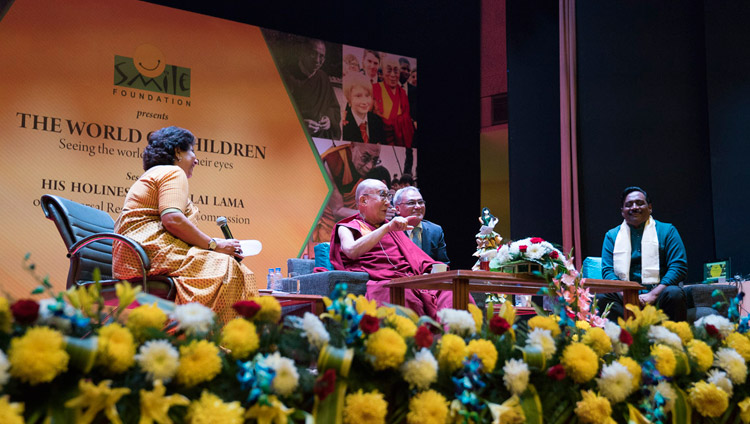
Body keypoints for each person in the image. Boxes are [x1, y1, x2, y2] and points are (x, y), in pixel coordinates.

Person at [112, 126, 258, 322]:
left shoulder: (157, 173)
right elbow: (172, 219)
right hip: (145, 256)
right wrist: (214, 245)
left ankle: (199, 333)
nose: (196, 159)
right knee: (227, 267)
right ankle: (212, 340)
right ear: (177, 152)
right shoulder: (172, 172)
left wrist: (213, 246)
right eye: (191, 151)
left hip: (135, 258)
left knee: (226, 264)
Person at [330, 179, 465, 319]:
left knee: (453, 292)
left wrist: (431, 270)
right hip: (385, 282)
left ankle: (457, 338)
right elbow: (351, 251)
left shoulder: (392, 229)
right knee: (404, 295)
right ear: (364, 201)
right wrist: (386, 228)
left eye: (388, 196)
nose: (388, 202)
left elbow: (417, 258)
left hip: (410, 279)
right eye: (383, 195)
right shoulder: (347, 227)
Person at [598, 187, 688, 321]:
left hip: (659, 294)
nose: (634, 207)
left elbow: (678, 267)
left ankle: (669, 341)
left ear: (650, 208)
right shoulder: (612, 236)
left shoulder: (667, 231)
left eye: (639, 203)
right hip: (624, 298)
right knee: (601, 298)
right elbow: (607, 271)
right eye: (628, 205)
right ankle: (624, 340)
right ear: (622, 211)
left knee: (674, 293)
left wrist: (654, 294)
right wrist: (627, 295)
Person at [313, 142, 382, 242]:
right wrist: (371, 214)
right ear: (353, 147)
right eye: (365, 158)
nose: (369, 166)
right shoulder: (334, 161)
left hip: (356, 225)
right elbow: (338, 210)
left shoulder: (373, 170)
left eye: (375, 160)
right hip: (329, 225)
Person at [281, 38, 341, 140]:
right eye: (313, 54)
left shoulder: (323, 77)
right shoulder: (286, 76)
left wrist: (329, 120)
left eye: (321, 56)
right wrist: (300, 125)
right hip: (295, 139)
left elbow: (333, 107)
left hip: (320, 138)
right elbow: (276, 113)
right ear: (303, 52)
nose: (317, 60)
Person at [394, 186, 449, 265]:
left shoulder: (435, 230)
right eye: (411, 203)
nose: (418, 207)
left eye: (420, 202)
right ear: (397, 209)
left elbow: (443, 263)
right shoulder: (391, 232)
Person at [373, 55, 414, 148]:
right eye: (388, 70)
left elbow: (407, 118)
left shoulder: (403, 93)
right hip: (381, 140)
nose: (392, 75)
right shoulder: (375, 89)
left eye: (396, 71)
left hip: (401, 143)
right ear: (382, 73)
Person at [341, 74, 386, 144]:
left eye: (367, 95)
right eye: (358, 96)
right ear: (349, 99)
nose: (364, 101)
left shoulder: (377, 121)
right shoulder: (343, 125)